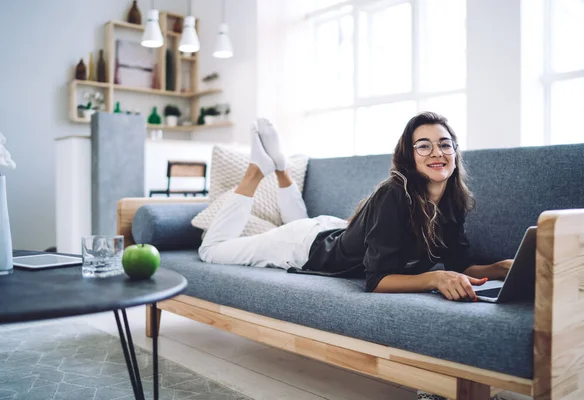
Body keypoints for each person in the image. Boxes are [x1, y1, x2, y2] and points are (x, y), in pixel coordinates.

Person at [199, 112, 513, 301]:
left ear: (455, 153)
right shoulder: (394, 194)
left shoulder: (452, 201)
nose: (437, 152)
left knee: (300, 222)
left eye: (445, 144)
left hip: (330, 229)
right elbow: (376, 282)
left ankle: (281, 168)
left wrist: (499, 268)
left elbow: (458, 264)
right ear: (409, 155)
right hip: (298, 246)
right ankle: (257, 170)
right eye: (424, 145)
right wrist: (434, 278)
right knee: (212, 251)